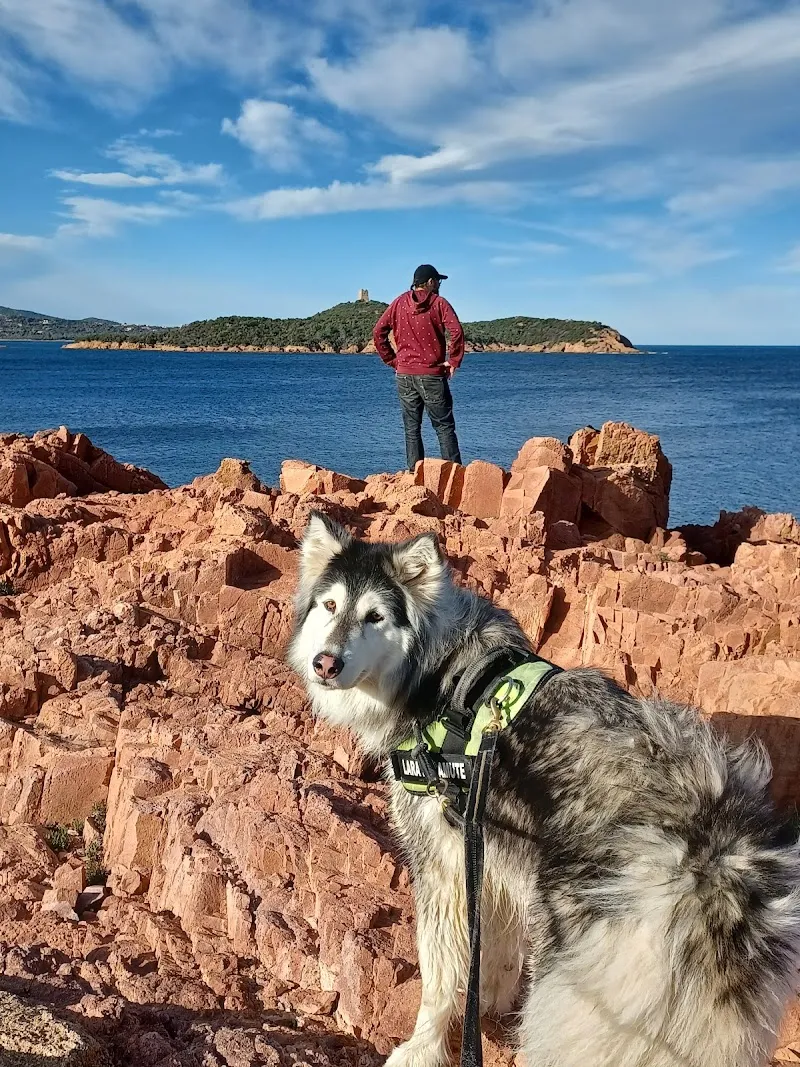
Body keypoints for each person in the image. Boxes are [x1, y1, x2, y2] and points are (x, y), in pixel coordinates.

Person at [373, 264, 465, 471]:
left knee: (411, 429)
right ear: (431, 282)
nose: (439, 286)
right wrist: (453, 361)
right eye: (438, 282)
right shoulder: (439, 303)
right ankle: (454, 478)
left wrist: (393, 361)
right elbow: (456, 332)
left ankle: (415, 476)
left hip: (404, 375)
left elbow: (378, 332)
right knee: (444, 428)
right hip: (432, 375)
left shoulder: (398, 303)